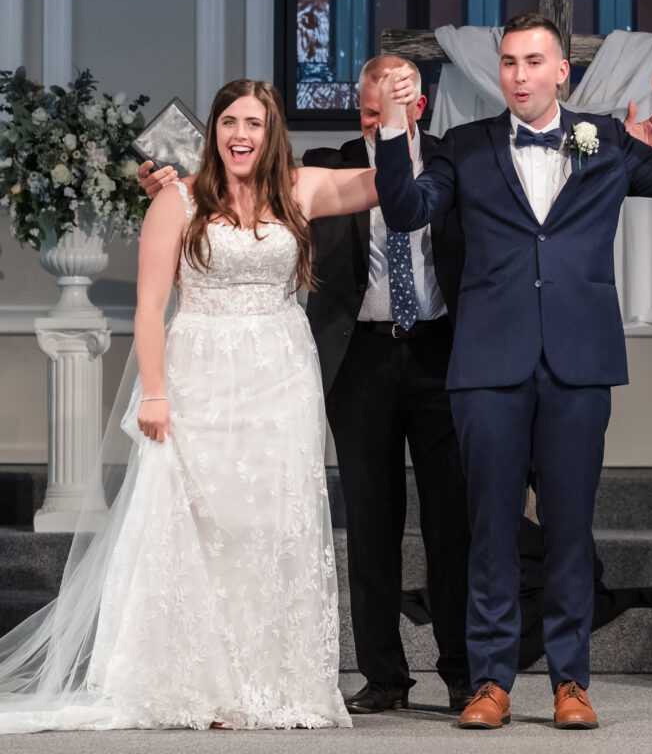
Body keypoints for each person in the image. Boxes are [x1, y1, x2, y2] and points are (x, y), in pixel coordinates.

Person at [373, 12, 652, 731]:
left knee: (569, 528)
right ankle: (491, 683)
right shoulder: (464, 147)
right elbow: (407, 207)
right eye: (508, 63)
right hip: (486, 363)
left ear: (560, 71)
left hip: (577, 360)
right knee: (490, 529)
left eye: (533, 62)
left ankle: (571, 682)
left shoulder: (603, 140)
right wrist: (388, 127)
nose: (518, 75)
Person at [0, 79, 379, 732]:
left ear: (272, 132)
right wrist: (153, 391)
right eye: (229, 121)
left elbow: (387, 183)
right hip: (199, 372)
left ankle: (269, 682)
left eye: (254, 123)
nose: (241, 134)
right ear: (214, 131)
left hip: (280, 373)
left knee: (271, 522)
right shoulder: (176, 199)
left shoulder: (301, 187)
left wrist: (397, 116)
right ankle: (198, 679)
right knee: (201, 523)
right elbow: (150, 306)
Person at [302, 56, 472, 714]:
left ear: (419, 111)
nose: (372, 125)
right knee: (370, 522)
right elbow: (249, 187)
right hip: (361, 359)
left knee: (449, 524)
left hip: (442, 354)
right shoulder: (330, 163)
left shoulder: (453, 163)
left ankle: (460, 672)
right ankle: (383, 675)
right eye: (366, 112)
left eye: (388, 114)